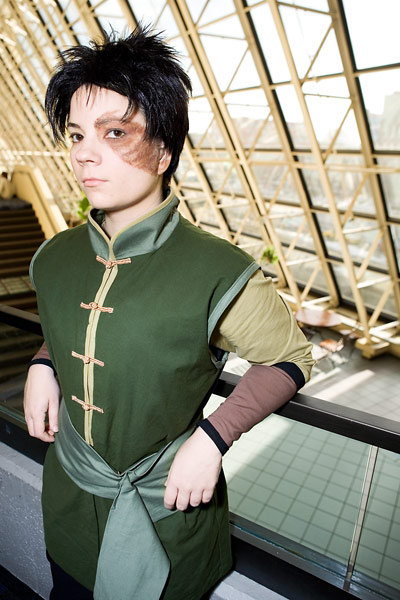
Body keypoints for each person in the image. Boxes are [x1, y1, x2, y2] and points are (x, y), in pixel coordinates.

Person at [24, 27, 314, 600]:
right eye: (77, 134)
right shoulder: (54, 257)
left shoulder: (217, 269)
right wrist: (44, 361)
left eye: (114, 132)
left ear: (164, 151)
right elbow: (82, 324)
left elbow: (290, 358)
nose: (83, 152)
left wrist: (213, 437)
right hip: (69, 503)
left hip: (168, 515)